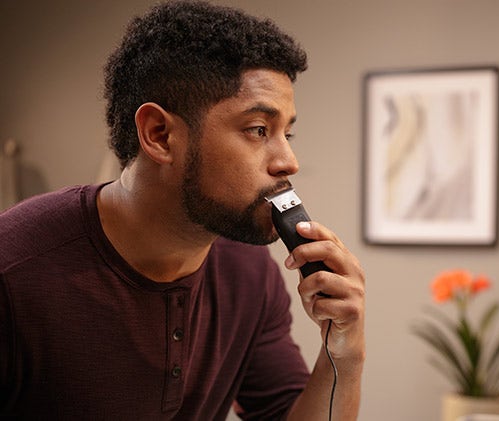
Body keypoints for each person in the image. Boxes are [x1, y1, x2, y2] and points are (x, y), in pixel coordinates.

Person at [0, 1, 365, 419]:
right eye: (258, 130)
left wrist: (346, 352)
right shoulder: (12, 274)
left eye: (287, 132)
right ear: (159, 135)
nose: (289, 161)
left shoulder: (249, 274)